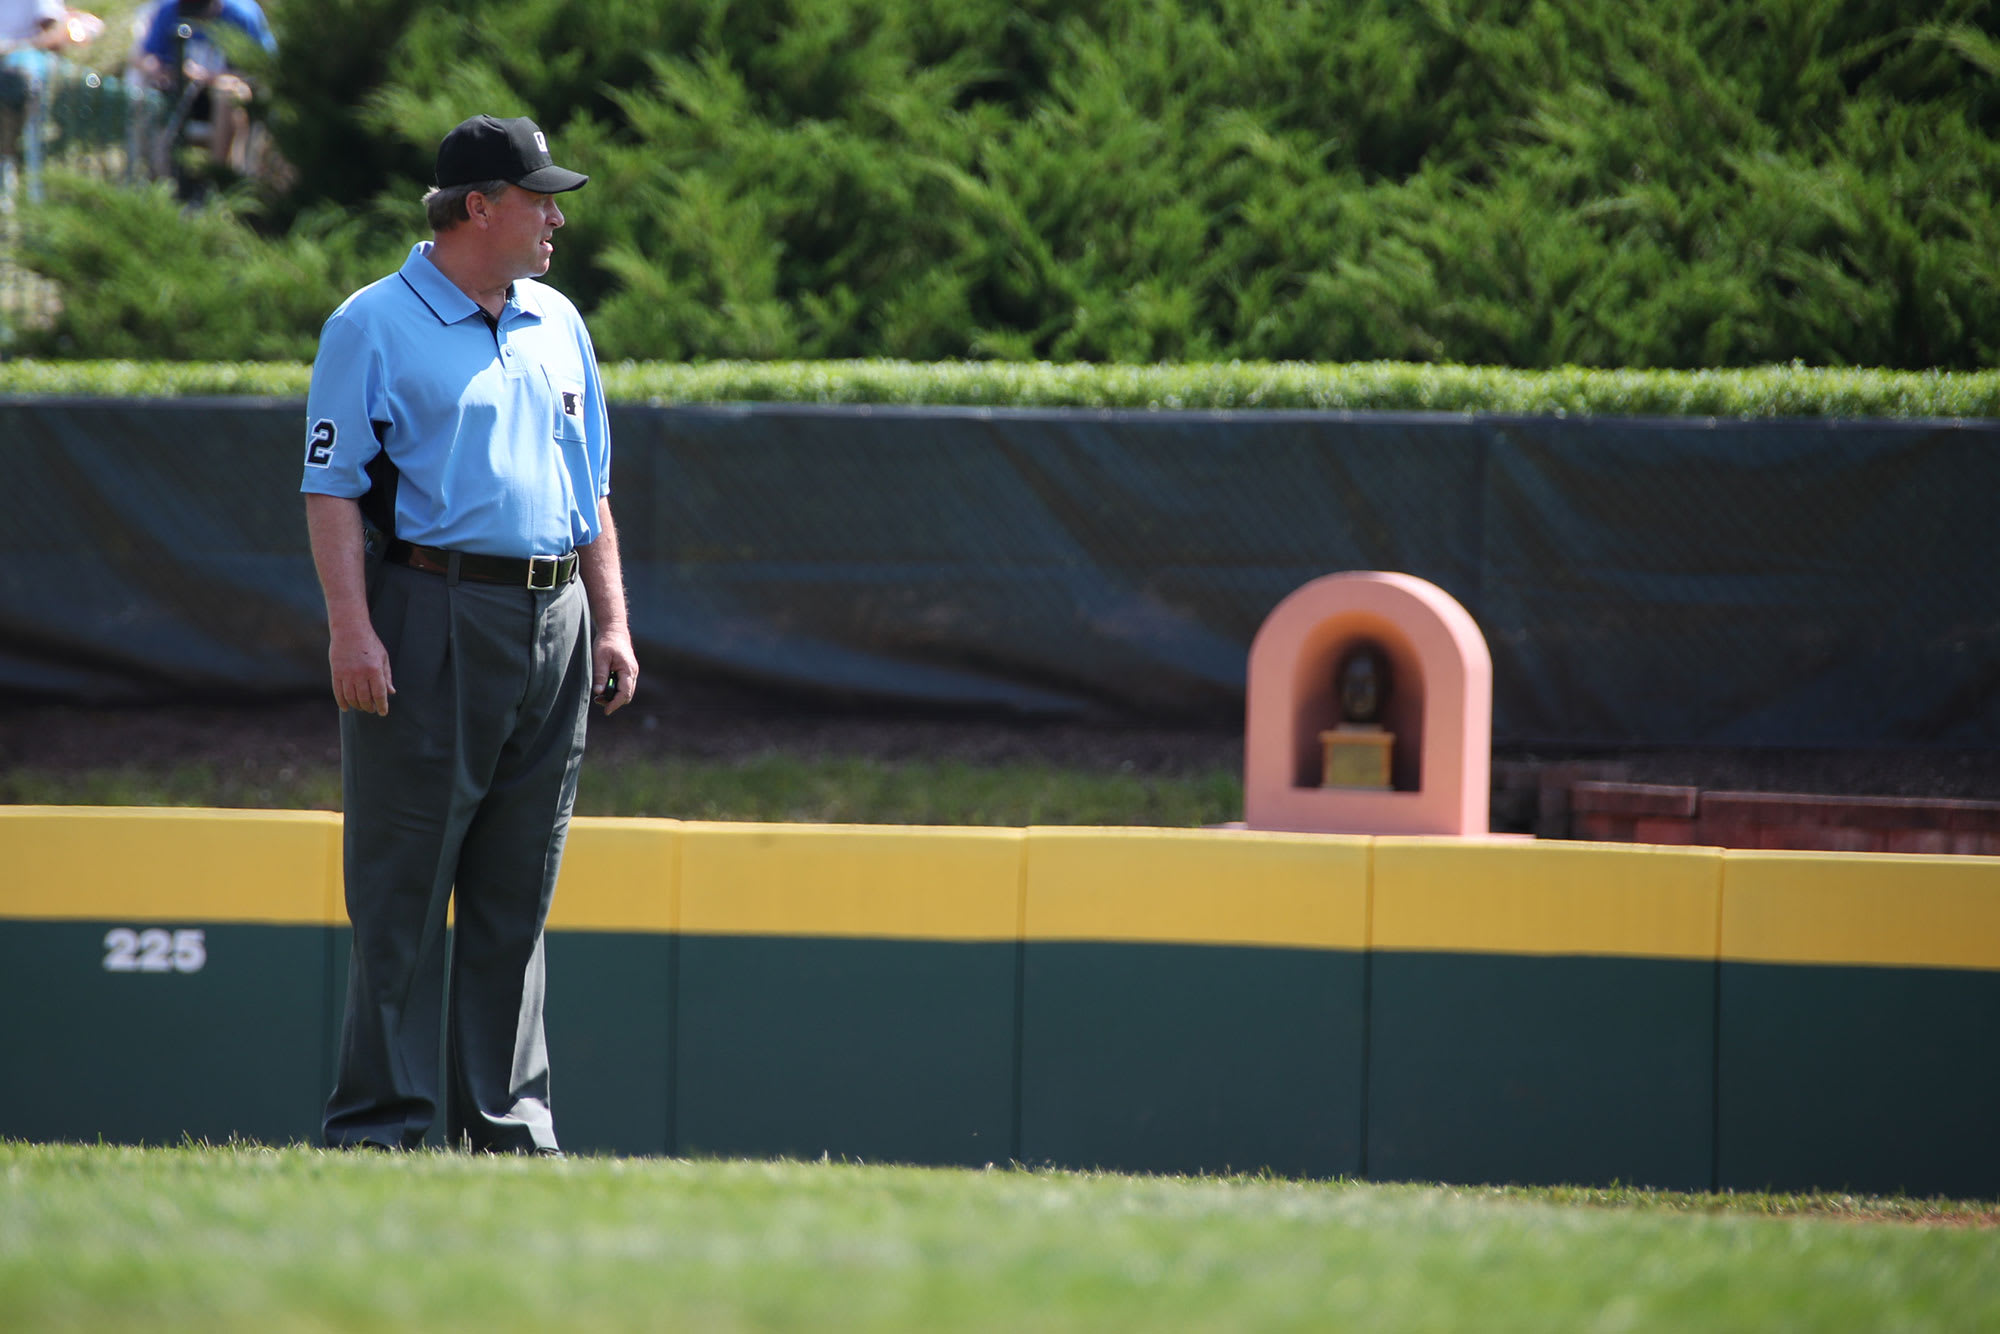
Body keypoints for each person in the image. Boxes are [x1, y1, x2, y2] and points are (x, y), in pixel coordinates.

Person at [301, 113, 638, 1155]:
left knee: (515, 885)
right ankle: (380, 1124)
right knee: (404, 882)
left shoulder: (556, 319)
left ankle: (505, 1126)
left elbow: (593, 492)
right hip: (430, 608)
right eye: (538, 198)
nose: (554, 219)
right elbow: (329, 486)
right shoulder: (371, 321)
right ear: (477, 206)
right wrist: (351, 632)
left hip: (556, 616)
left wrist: (614, 619)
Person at [133, 0, 273, 171]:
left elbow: (262, 68)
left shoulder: (242, 14)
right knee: (151, 98)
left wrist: (210, 77)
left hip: (224, 99)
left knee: (226, 93)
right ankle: (159, 176)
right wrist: (162, 71)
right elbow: (143, 56)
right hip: (180, 93)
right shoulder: (170, 10)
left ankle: (219, 173)